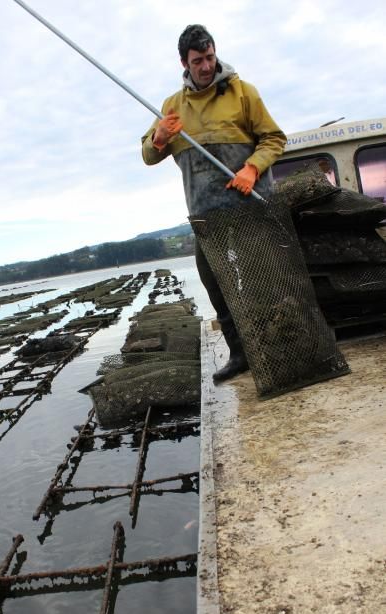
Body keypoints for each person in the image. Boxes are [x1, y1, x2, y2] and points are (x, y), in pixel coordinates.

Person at [142, 24, 287, 381]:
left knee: (261, 280)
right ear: (184, 63)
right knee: (215, 284)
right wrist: (159, 138)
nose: (206, 66)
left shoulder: (242, 93)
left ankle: (276, 347)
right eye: (197, 61)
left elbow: (274, 138)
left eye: (209, 57)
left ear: (215, 52)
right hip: (206, 217)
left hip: (249, 208)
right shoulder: (173, 107)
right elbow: (147, 155)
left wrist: (252, 168)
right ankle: (240, 354)